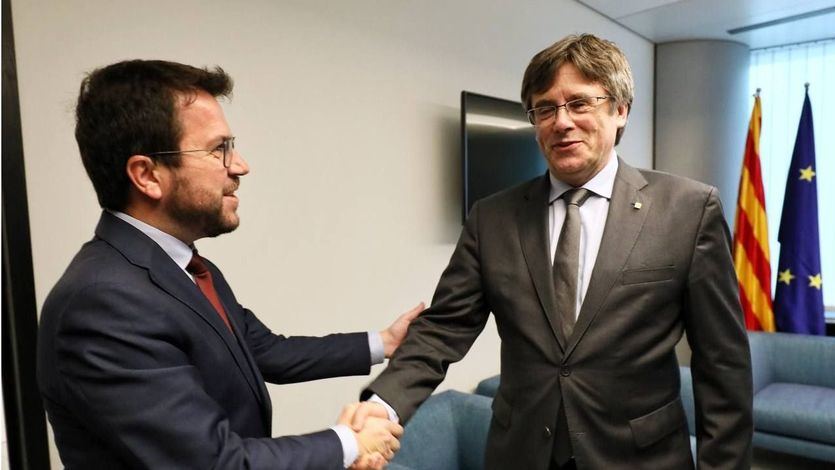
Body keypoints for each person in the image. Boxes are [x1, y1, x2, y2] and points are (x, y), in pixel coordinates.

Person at [355, 34, 753, 469]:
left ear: (620, 110)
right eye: (545, 108)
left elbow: (723, 366)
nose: (561, 122)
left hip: (640, 457)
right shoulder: (492, 218)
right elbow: (443, 329)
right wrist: (383, 406)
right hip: (521, 453)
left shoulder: (689, 210)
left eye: (580, 103)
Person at [36, 59, 421, 470]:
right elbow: (215, 463)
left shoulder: (185, 267)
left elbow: (266, 350)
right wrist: (348, 443)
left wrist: (385, 342)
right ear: (147, 175)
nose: (240, 166)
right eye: (219, 149)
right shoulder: (102, 304)